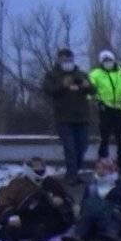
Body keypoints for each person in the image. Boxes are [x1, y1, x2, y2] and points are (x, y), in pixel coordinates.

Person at [62, 158, 121, 241]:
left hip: (111, 214)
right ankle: (77, 236)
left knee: (114, 217)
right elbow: (85, 200)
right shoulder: (92, 183)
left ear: (111, 170)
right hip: (94, 215)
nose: (100, 171)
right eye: (98, 168)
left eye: (104, 168)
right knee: (86, 217)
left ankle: (112, 235)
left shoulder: (119, 184)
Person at [0, 157, 74, 241]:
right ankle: (21, 233)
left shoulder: (51, 181)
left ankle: (38, 233)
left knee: (64, 222)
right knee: (2, 229)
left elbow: (68, 199)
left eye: (41, 167)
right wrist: (11, 215)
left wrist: (61, 200)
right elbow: (4, 202)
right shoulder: (18, 183)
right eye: (36, 167)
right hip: (25, 216)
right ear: (28, 169)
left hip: (47, 216)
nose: (39, 170)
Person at [42, 48, 96, 184]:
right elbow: (48, 90)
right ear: (59, 60)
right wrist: (62, 85)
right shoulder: (52, 75)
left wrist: (87, 86)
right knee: (70, 148)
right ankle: (72, 176)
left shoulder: (81, 74)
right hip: (64, 118)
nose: (68, 63)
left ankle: (74, 172)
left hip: (82, 118)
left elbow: (93, 90)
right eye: (64, 60)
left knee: (82, 148)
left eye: (70, 60)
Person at [88, 50, 121, 168]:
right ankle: (102, 161)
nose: (108, 62)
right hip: (106, 109)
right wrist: (93, 101)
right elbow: (90, 90)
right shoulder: (95, 74)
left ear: (114, 60)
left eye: (109, 60)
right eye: (105, 60)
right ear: (101, 62)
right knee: (105, 137)